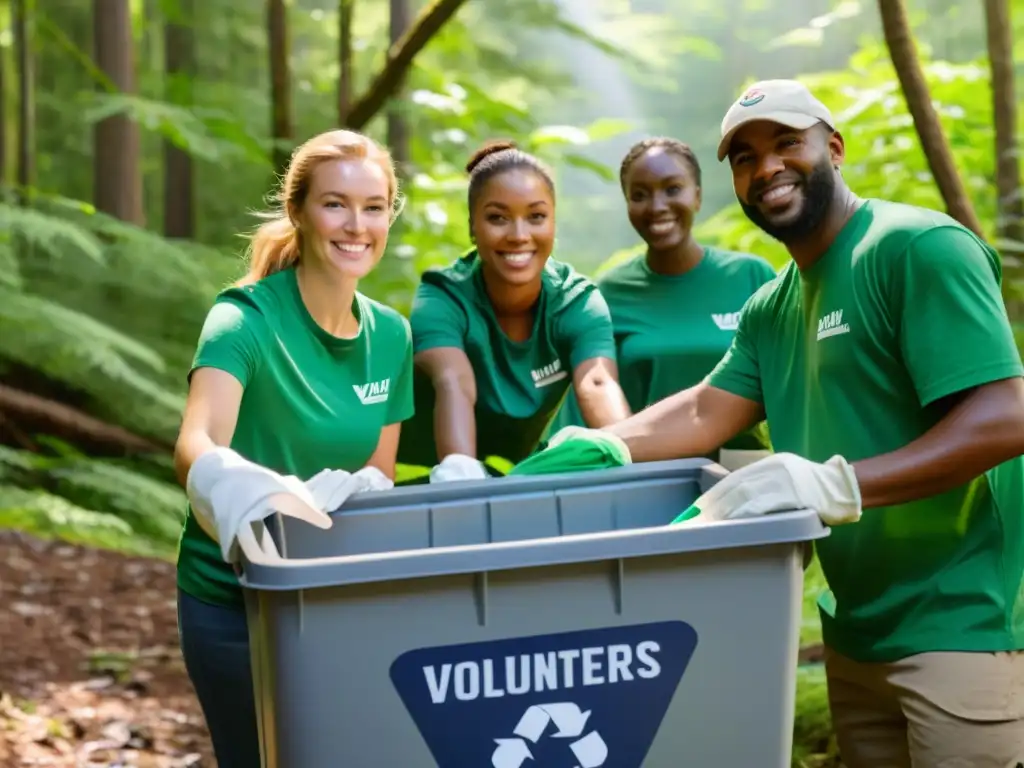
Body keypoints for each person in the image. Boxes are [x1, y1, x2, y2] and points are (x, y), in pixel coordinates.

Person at [604, 79, 1024, 766]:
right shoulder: (773, 305)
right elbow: (707, 409)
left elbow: (1006, 419)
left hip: (961, 628)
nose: (765, 166)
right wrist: (599, 446)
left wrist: (834, 485)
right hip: (855, 636)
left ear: (833, 146)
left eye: (785, 143)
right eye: (743, 156)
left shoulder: (915, 248)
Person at [173, 129, 414, 767]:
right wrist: (250, 491)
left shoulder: (393, 336)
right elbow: (196, 443)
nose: (356, 224)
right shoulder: (242, 319)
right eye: (335, 204)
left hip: (335, 595)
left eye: (373, 206)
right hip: (233, 601)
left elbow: (379, 471)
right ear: (298, 211)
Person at [397, 141, 630, 480]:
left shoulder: (576, 301)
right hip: (415, 477)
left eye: (536, 217)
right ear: (472, 227)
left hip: (516, 475)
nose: (519, 235)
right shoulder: (442, 297)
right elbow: (454, 382)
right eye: (497, 218)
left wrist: (628, 459)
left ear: (553, 223)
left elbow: (597, 382)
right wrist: (460, 473)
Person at [549, 137, 777, 470]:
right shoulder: (608, 294)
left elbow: (787, 380)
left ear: (697, 195)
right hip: (647, 475)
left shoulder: (751, 276)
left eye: (672, 189)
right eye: (639, 195)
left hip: (743, 473)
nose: (657, 206)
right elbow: (591, 391)